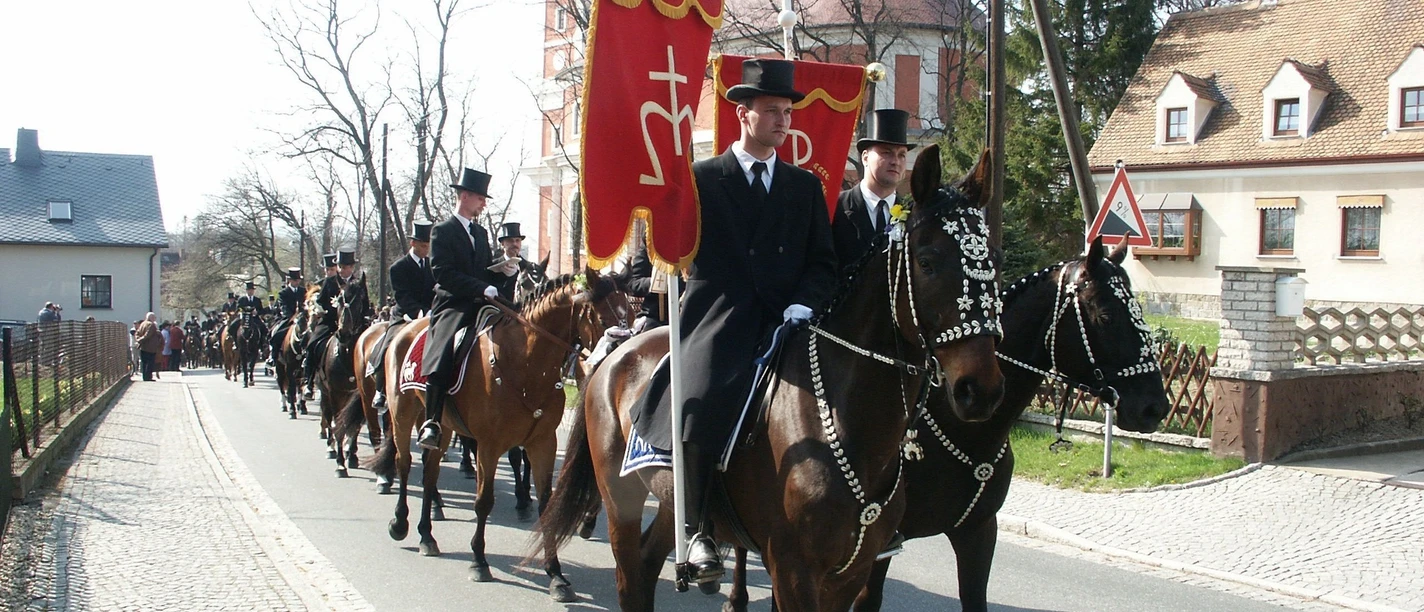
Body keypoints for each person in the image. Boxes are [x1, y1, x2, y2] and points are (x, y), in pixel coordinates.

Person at [632, 58, 838, 582]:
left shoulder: (804, 187)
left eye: (787, 112)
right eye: (772, 111)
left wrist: (805, 300)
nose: (783, 121)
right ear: (743, 113)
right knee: (700, 395)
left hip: (788, 319)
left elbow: (823, 263)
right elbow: (669, 246)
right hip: (719, 315)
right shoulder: (701, 179)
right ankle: (697, 529)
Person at [417, 168, 500, 450]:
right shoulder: (443, 230)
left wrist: (506, 273)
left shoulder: (481, 232)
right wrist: (479, 288)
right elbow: (442, 272)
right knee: (444, 349)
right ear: (465, 196)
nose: (483, 203)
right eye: (480, 198)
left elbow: (487, 272)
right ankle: (432, 421)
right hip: (453, 304)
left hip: (482, 304)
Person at [832, 108, 914, 270]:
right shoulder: (837, 208)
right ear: (865, 157)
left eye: (901, 155)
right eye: (886, 152)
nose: (895, 161)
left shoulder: (912, 215)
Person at [368, 221, 437, 409]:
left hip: (430, 314)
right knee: (389, 344)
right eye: (423, 246)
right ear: (413, 244)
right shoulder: (398, 268)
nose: (426, 250)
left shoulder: (432, 266)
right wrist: (420, 312)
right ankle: (380, 388)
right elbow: (402, 296)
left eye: (428, 246)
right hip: (405, 314)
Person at [303, 250, 358, 398]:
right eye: (341, 266)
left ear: (352, 267)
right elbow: (320, 301)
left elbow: (364, 304)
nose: (344, 270)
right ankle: (308, 381)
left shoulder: (357, 283)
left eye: (347, 267)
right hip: (330, 321)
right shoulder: (329, 282)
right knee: (313, 344)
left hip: (353, 324)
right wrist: (326, 310)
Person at [491, 222, 539, 301]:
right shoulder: (494, 265)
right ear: (503, 244)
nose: (514, 244)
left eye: (517, 240)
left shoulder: (529, 267)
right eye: (510, 241)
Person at [269, 267, 306, 362]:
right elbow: (283, 306)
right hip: (289, 318)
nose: (297, 282)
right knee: (277, 334)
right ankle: (274, 357)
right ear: (290, 280)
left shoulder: (303, 291)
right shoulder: (283, 293)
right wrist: (292, 317)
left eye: (298, 280)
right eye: (294, 280)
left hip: (303, 318)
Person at [136, 313, 163, 381]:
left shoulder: (142, 324)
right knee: (149, 362)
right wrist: (140, 340)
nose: (155, 319)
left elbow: (137, 333)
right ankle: (148, 377)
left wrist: (138, 339)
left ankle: (145, 377)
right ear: (151, 318)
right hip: (150, 347)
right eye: (154, 317)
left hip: (143, 347)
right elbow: (148, 335)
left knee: (144, 362)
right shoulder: (151, 325)